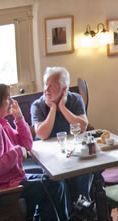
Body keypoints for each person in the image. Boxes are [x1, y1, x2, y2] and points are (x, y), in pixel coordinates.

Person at [0, 84, 67, 221]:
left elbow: (27, 144)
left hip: (14, 179)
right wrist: (18, 152)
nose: (12, 101)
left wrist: (19, 118)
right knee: (54, 185)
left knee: (53, 180)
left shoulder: (0, 123)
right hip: (7, 187)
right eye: (7, 98)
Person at [31, 67, 91, 201]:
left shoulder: (75, 99)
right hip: (48, 155)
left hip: (71, 151)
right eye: (46, 84)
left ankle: (83, 209)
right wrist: (52, 109)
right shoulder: (38, 105)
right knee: (57, 179)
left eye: (51, 86)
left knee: (86, 170)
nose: (46, 89)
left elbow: (82, 126)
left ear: (64, 89)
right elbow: (43, 134)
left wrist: (62, 108)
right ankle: (67, 216)